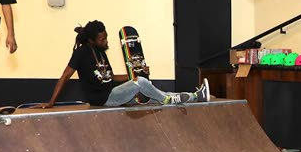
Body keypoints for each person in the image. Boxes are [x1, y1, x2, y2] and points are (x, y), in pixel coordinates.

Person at [43, 20, 209, 108]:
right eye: (102, 39)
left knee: (151, 96)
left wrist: (135, 75)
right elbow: (65, 76)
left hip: (114, 93)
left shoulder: (101, 53)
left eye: (106, 37)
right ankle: (166, 99)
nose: (106, 41)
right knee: (144, 85)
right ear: (92, 40)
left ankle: (196, 96)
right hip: (102, 99)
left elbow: (112, 77)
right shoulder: (81, 53)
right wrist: (51, 102)